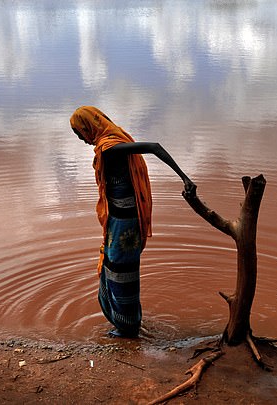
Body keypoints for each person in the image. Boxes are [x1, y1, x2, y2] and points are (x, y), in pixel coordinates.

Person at [70, 106, 196, 338]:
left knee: (120, 272)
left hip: (124, 225)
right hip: (120, 222)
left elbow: (153, 147)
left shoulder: (110, 148)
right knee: (115, 268)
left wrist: (184, 177)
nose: (81, 139)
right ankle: (127, 324)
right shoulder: (111, 142)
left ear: (89, 127)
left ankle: (128, 327)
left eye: (80, 133)